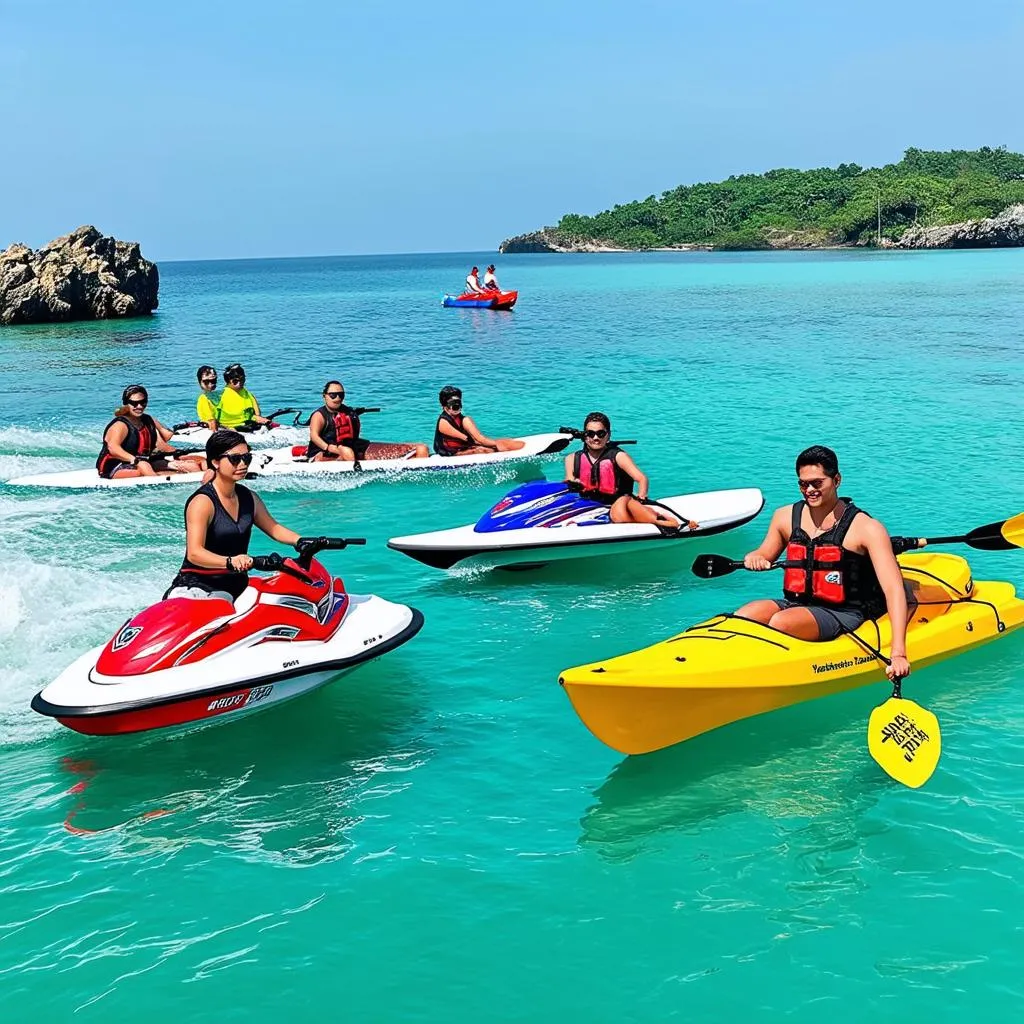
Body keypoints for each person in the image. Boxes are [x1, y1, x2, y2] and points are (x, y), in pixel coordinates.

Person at [735, 445, 911, 681]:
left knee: (781, 622)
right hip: (796, 603)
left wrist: (898, 652)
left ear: (836, 480)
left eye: (817, 483)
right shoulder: (784, 517)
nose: (809, 490)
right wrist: (754, 557)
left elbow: (894, 590)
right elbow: (765, 553)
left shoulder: (866, 528)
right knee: (745, 615)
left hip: (845, 611)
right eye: (803, 484)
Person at [165, 429, 301, 603]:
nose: (243, 464)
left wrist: (300, 541)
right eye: (235, 459)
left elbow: (274, 528)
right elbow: (195, 553)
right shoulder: (202, 503)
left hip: (237, 585)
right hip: (198, 587)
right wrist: (230, 561)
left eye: (247, 458)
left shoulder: (249, 497)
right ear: (215, 462)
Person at [563, 412, 695, 530]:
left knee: (618, 513)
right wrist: (574, 483)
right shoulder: (572, 459)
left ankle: (665, 521)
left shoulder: (619, 456)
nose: (596, 438)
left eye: (600, 433)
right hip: (588, 505)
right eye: (591, 434)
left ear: (608, 435)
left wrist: (641, 498)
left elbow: (641, 479)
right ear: (585, 436)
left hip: (619, 502)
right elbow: (569, 483)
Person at [96, 385, 207, 479]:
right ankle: (161, 485)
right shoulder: (120, 425)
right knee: (144, 466)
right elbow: (113, 448)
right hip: (114, 466)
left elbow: (163, 442)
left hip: (145, 462)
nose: (139, 406)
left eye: (143, 402)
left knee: (192, 465)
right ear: (126, 404)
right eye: (134, 403)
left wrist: (180, 454)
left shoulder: (147, 420)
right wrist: (134, 460)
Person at [305, 381, 429, 462]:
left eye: (341, 395)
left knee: (420, 448)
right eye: (333, 395)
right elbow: (314, 437)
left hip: (354, 448)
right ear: (324, 396)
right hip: (324, 453)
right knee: (347, 452)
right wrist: (332, 449)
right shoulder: (319, 415)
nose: (337, 398)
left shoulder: (348, 411)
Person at [433, 385, 525, 456]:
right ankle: (505, 450)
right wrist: (496, 444)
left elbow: (478, 438)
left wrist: (494, 443)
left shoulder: (464, 419)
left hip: (464, 447)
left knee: (469, 422)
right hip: (450, 453)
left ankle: (507, 447)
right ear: (444, 406)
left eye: (458, 403)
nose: (456, 406)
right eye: (452, 404)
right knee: (481, 449)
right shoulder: (443, 422)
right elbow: (470, 440)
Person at [217, 363, 269, 430]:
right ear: (227, 381)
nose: (239, 383)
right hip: (228, 428)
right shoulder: (220, 396)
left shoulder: (248, 394)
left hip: (248, 426)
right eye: (235, 381)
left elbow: (257, 414)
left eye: (242, 379)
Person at [196, 365, 220, 431]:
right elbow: (211, 422)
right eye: (206, 382)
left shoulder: (220, 395)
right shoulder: (203, 399)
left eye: (213, 381)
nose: (210, 384)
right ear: (199, 382)